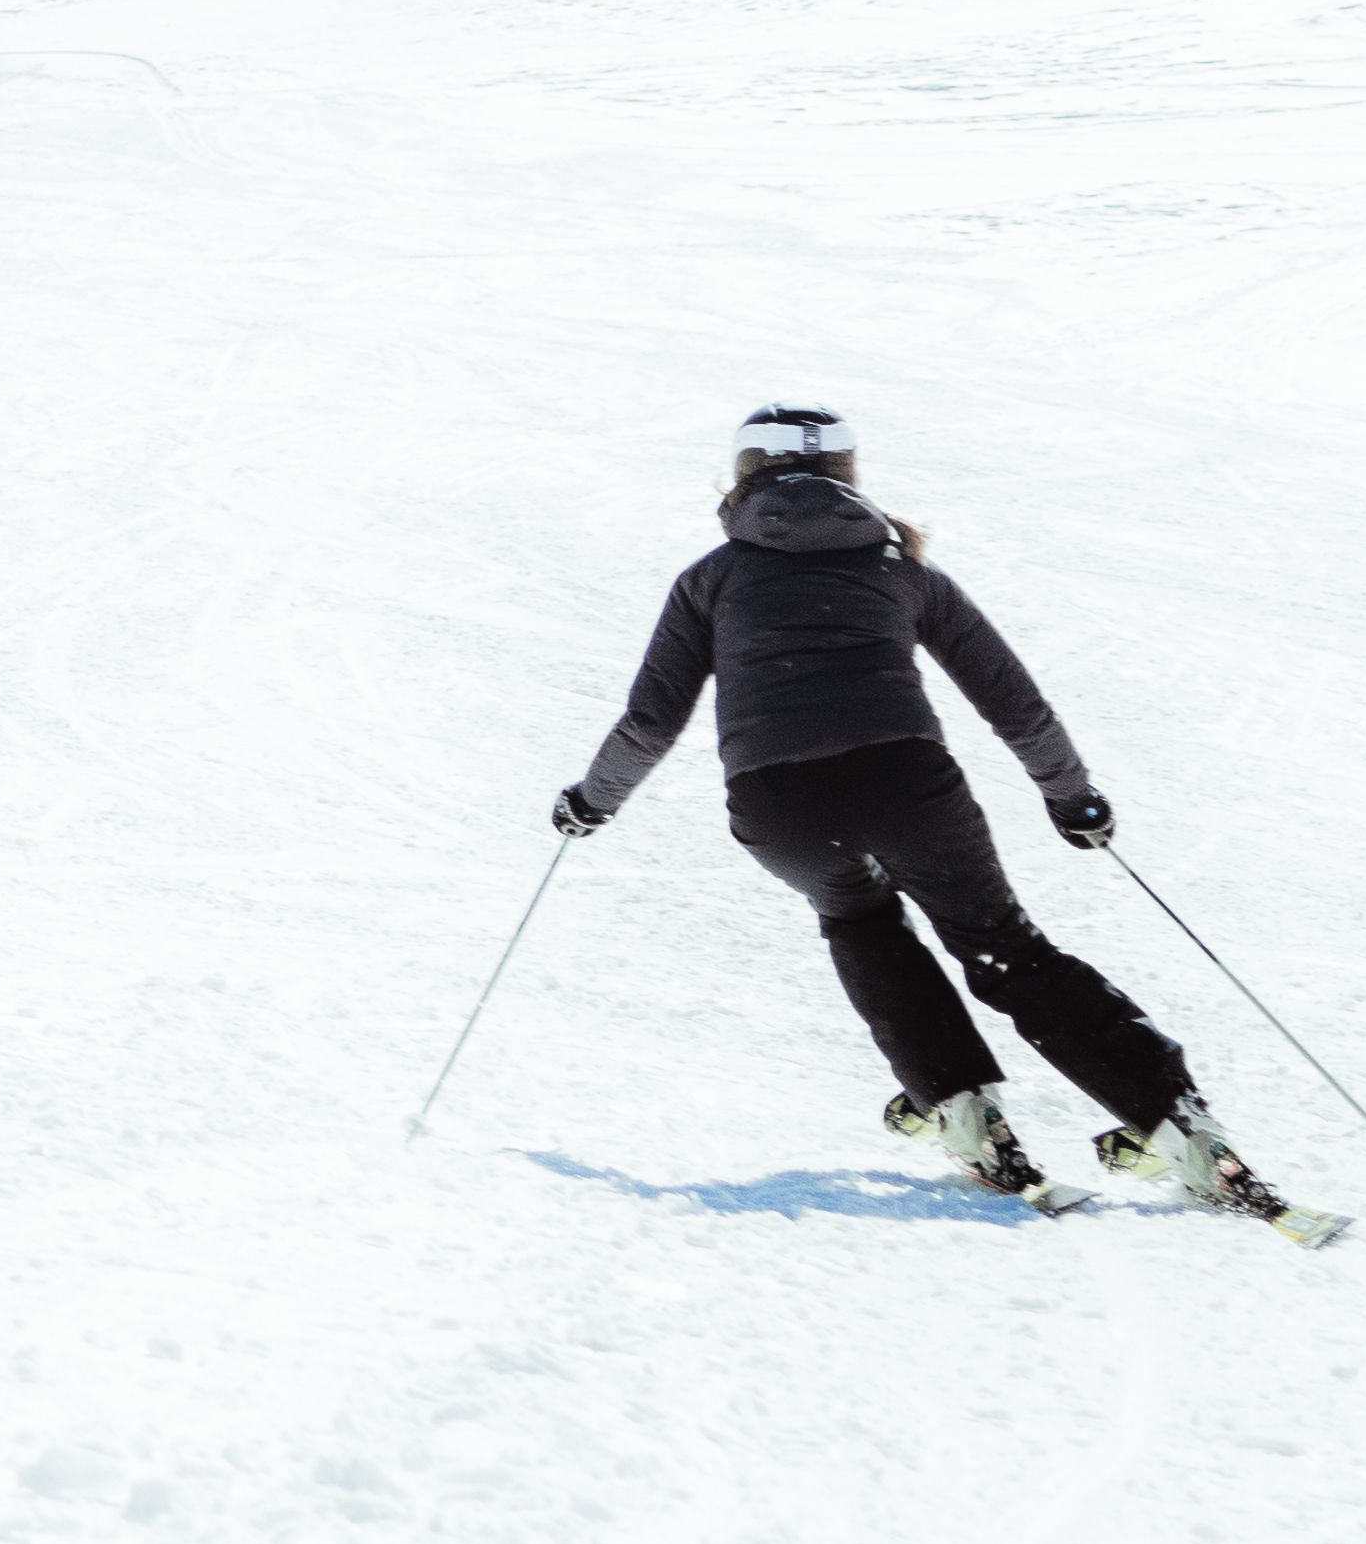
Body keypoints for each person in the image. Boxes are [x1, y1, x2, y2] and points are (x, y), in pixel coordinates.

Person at [545, 403, 1301, 1222]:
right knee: (1001, 946)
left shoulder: (709, 580)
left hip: (776, 804)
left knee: (860, 922)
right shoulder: (901, 574)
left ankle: (959, 1109)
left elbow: (651, 720)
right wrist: (1069, 797)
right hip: (906, 783)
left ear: (741, 477)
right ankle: (1173, 1127)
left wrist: (593, 803)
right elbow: (1012, 703)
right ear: (850, 477)